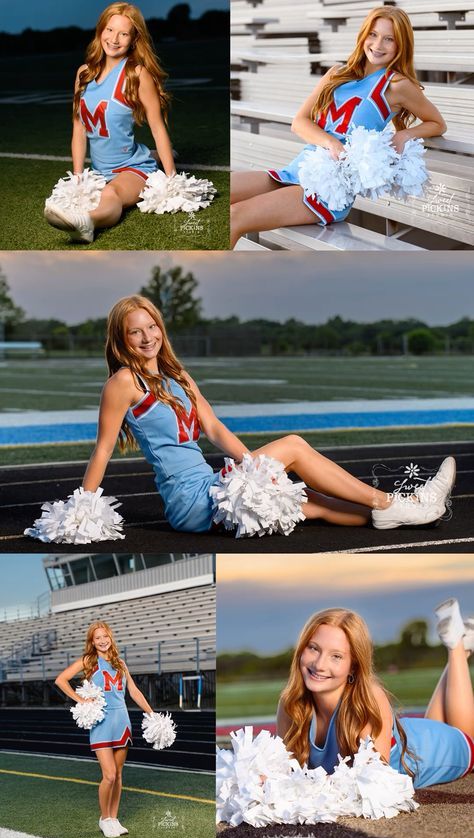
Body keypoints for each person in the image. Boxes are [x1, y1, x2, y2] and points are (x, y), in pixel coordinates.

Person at [80, 294, 454, 534]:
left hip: (212, 480)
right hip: (190, 500)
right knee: (293, 445)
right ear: (121, 339)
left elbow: (213, 427)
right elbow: (103, 449)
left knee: (319, 505)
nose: (147, 337)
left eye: (152, 326)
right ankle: (391, 502)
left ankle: (406, 512)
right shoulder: (123, 382)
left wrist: (252, 473)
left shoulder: (177, 375)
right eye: (135, 333)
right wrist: (82, 510)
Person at [230, 6, 447, 248]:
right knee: (210, 196)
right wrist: (331, 142)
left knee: (234, 217)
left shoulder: (396, 85)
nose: (378, 45)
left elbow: (437, 123)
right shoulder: (337, 73)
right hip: (298, 170)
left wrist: (404, 134)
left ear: (400, 45)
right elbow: (299, 122)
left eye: (389, 39)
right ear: (363, 35)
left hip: (328, 190)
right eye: (373, 35)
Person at [277, 603, 474, 788]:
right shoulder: (291, 702)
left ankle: (456, 647)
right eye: (313, 648)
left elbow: (372, 780)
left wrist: (305, 785)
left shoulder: (368, 697)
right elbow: (286, 771)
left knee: (469, 739)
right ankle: (459, 647)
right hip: (412, 733)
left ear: (353, 666)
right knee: (439, 724)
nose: (319, 665)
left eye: (336, 656)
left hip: (431, 752)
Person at [44, 3, 175, 244]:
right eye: (109, 30)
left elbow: (157, 127)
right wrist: (77, 177)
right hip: (98, 171)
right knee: (95, 190)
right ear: (100, 31)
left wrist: (172, 178)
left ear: (134, 39)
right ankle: (151, 155)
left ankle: (87, 222)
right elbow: (78, 128)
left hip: (130, 169)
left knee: (111, 193)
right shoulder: (84, 73)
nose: (114, 39)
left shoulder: (137, 74)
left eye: (123, 33)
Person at [55, 621, 153, 838]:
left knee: (118, 775)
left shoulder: (120, 663)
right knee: (108, 775)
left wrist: (151, 712)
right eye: (97, 638)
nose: (102, 641)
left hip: (122, 722)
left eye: (105, 636)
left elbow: (134, 691)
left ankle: (114, 819)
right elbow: (61, 680)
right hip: (101, 723)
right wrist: (81, 700)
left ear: (110, 637)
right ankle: (104, 818)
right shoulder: (89, 660)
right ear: (92, 641)